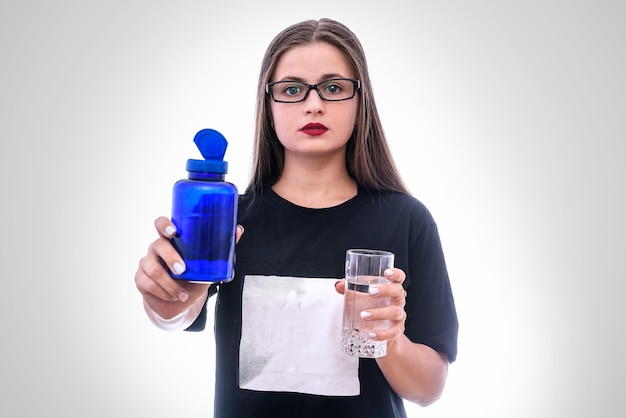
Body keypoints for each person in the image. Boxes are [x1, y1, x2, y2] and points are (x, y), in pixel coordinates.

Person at [135, 17, 458, 418]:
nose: (313, 104)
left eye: (333, 87)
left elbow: (429, 389)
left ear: (361, 103)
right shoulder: (228, 217)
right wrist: (165, 297)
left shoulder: (407, 220)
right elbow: (175, 315)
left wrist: (389, 340)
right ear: (269, 107)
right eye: (291, 89)